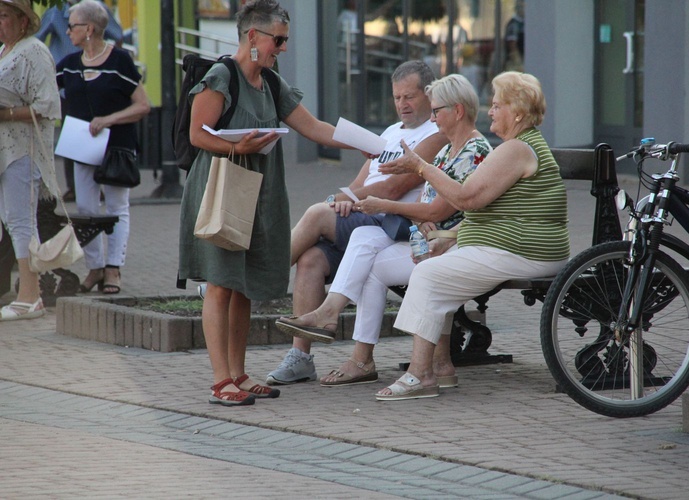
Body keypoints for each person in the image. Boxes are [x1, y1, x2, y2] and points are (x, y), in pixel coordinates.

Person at [178, 0, 366, 407]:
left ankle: (240, 374)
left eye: (284, 40)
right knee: (220, 284)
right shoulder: (220, 76)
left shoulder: (272, 81)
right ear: (253, 37)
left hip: (257, 193)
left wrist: (372, 145)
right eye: (278, 40)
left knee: (242, 287)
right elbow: (197, 135)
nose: (282, 47)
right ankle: (219, 381)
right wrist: (237, 145)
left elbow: (315, 128)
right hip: (222, 189)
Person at [275, 74, 490, 387]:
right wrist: (351, 200)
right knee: (331, 254)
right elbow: (426, 202)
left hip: (444, 241)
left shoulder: (468, 149)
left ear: (457, 111)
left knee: (322, 219)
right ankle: (344, 348)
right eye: (397, 97)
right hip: (422, 234)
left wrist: (386, 206)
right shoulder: (446, 150)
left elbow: (434, 207)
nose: (431, 117)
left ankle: (268, 283)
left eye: (435, 110)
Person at [375, 71, 570, 401]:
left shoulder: (516, 149)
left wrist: (420, 167)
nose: (490, 111)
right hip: (515, 246)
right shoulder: (515, 147)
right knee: (441, 265)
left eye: (497, 105)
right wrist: (450, 236)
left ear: (518, 112)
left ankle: (421, 375)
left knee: (427, 274)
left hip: (525, 251)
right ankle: (441, 368)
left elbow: (466, 199)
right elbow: (489, 211)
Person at [55, 0, 149, 295]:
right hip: (82, 146)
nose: (67, 30)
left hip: (117, 147)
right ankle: (94, 267)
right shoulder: (68, 65)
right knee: (84, 208)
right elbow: (48, 94)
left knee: (117, 207)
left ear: (90, 29)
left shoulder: (119, 61)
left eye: (72, 25)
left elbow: (143, 106)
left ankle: (113, 269)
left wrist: (109, 120)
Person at [0, 0, 61, 321]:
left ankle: (30, 295)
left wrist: (6, 113)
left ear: (24, 21)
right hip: (5, 150)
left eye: (4, 16)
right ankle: (25, 292)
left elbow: (48, 104)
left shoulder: (34, 51)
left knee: (22, 220)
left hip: (23, 150)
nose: (0, 22)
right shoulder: (4, 51)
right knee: (11, 220)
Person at [36, 0, 123, 202]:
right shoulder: (55, 11)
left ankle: (97, 182)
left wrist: (107, 58)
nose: (69, 31)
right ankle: (75, 186)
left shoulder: (97, 8)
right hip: (67, 85)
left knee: (97, 133)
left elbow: (117, 35)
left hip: (97, 84)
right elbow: (37, 38)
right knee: (72, 134)